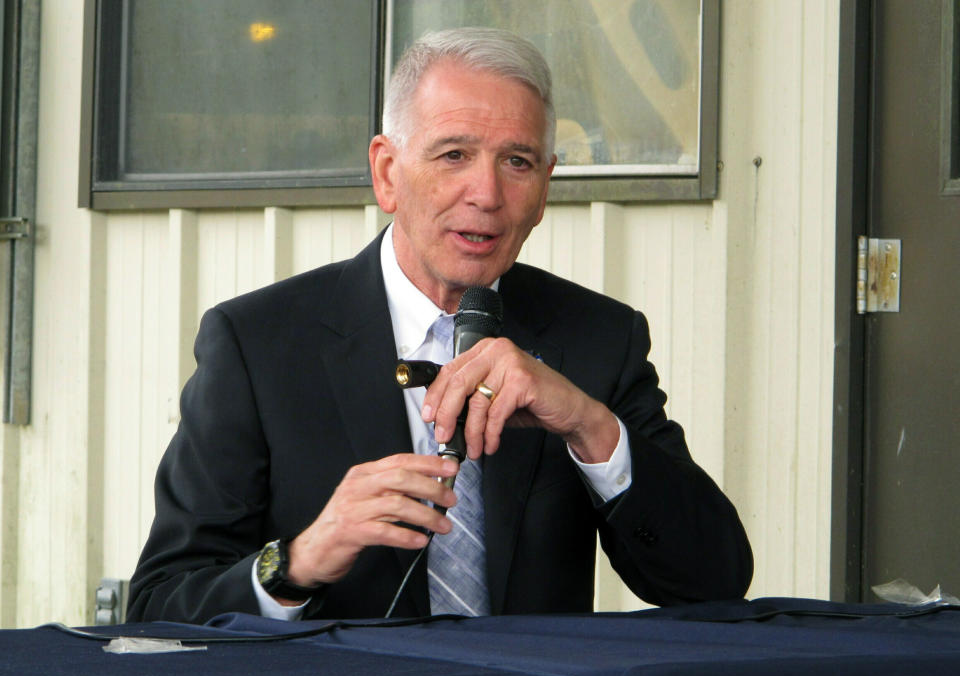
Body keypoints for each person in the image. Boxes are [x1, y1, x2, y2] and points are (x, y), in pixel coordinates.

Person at [127, 27, 752, 624]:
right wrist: (300, 560)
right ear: (387, 172)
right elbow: (159, 607)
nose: (485, 192)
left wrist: (589, 424)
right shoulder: (257, 344)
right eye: (454, 154)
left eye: (517, 162)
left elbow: (714, 582)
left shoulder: (599, 338)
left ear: (544, 189)